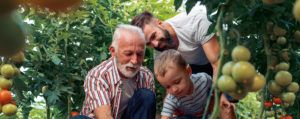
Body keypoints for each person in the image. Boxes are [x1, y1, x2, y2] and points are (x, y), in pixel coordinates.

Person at [78, 24, 156, 119]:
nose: (135, 61)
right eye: (128, 54)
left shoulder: (146, 75)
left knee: (146, 95)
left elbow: (146, 112)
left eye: (140, 54)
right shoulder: (98, 76)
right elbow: (104, 117)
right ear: (113, 51)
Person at [131, 3, 219, 77]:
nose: (155, 44)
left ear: (160, 23)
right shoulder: (159, 50)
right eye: (149, 43)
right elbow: (169, 80)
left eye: (154, 36)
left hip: (221, 56)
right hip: (196, 69)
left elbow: (217, 64)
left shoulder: (195, 21)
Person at [154, 49, 214, 119]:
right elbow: (165, 116)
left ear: (188, 71)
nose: (174, 90)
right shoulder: (172, 98)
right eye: (167, 87)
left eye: (177, 82)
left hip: (207, 112)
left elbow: (216, 89)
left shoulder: (204, 79)